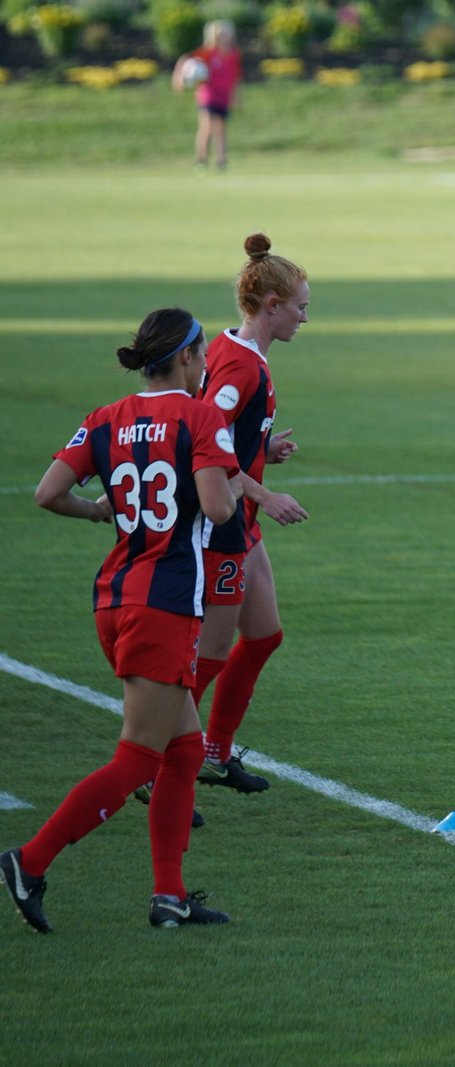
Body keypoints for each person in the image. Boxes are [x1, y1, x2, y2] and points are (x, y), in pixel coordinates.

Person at [2, 308, 240, 933]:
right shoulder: (200, 415)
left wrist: (98, 512)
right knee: (138, 759)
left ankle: (169, 897)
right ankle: (30, 860)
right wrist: (243, 485)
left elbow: (47, 493)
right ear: (186, 356)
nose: (208, 361)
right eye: (202, 351)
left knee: (183, 752)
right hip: (164, 604)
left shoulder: (105, 418)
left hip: (115, 599)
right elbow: (216, 509)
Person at [188, 234, 311, 796]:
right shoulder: (240, 370)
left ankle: (212, 752)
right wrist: (266, 494)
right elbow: (204, 448)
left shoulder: (234, 351)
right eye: (301, 307)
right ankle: (158, 760)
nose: (305, 319)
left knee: (263, 636)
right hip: (221, 522)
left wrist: (265, 451)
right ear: (272, 305)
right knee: (210, 653)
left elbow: (230, 441)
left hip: (241, 518)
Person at [171, 20, 241, 171]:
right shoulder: (207, 53)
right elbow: (185, 59)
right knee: (207, 126)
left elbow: (236, 77)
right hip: (208, 96)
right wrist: (178, 78)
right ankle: (201, 160)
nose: (223, 37)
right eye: (220, 34)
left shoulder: (234, 55)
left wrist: (236, 96)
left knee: (221, 128)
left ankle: (221, 161)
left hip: (224, 97)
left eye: (225, 34)